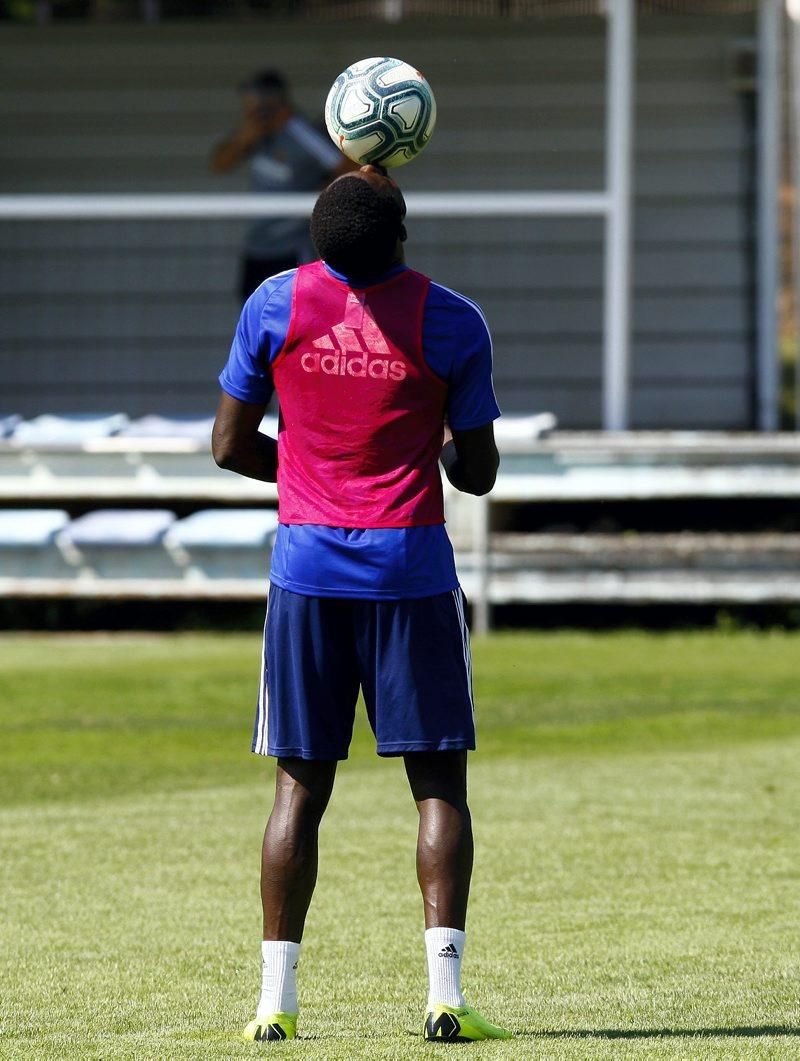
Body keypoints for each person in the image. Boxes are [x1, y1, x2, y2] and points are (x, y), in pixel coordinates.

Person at [212, 164, 511, 1045]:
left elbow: (229, 446)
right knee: (437, 784)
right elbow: (480, 473)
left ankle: (276, 1004)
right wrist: (440, 436)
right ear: (403, 236)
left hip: (306, 571)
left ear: (317, 239)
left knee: (298, 790)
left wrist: (306, 471)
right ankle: (445, 998)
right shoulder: (452, 319)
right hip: (411, 574)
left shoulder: (272, 304)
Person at [210, 69, 355, 302]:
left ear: (271, 100)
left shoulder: (302, 134)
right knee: (254, 318)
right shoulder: (255, 135)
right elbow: (219, 164)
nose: (249, 109)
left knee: (294, 319)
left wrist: (320, 197)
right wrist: (243, 137)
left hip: (292, 250)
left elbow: (349, 168)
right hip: (256, 247)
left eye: (253, 101)